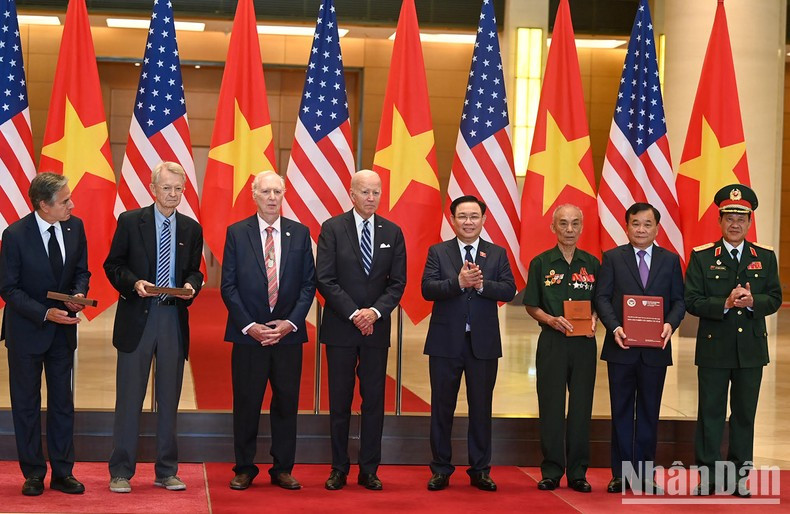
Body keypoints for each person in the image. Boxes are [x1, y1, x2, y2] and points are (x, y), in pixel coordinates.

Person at [104, 161, 203, 493]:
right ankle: (121, 471)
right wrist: (135, 283)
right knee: (129, 398)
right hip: (138, 317)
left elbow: (195, 271)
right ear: (153, 189)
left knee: (169, 399)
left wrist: (191, 285)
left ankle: (167, 470)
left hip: (173, 318)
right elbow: (113, 265)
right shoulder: (131, 221)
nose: (173, 194)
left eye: (178, 189)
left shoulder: (191, 228)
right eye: (166, 188)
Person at [221, 171, 316, 491]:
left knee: (287, 403)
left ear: (284, 194)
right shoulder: (237, 232)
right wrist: (250, 326)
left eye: (277, 191)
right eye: (266, 192)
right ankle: (244, 467)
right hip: (249, 336)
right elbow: (229, 286)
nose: (272, 197)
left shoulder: (299, 233)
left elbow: (308, 284)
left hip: (288, 335)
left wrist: (290, 323)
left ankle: (283, 468)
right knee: (246, 403)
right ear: (254, 195)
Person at [685, 184, 781, 497]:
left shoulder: (764, 257)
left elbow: (775, 297)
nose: (735, 224)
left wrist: (754, 302)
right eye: (729, 217)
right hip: (714, 348)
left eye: (741, 218)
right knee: (710, 414)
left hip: (751, 350)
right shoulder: (702, 257)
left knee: (744, 415)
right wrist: (724, 304)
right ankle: (708, 476)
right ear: (720, 220)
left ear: (750, 222)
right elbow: (691, 300)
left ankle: (739, 476)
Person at [315, 169, 406, 491]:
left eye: (376, 192)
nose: (371, 198)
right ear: (352, 194)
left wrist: (374, 313)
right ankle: (338, 468)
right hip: (341, 327)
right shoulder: (332, 228)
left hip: (375, 330)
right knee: (339, 401)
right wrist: (355, 313)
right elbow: (324, 278)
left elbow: (397, 283)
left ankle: (369, 469)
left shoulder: (392, 232)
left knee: (373, 402)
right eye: (365, 192)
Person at [0, 173, 89, 496]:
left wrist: (77, 295)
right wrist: (44, 312)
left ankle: (63, 472)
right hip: (27, 331)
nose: (71, 205)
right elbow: (8, 287)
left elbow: (81, 271)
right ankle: (34, 473)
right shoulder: (15, 235)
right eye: (65, 201)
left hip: (62, 332)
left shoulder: (75, 227)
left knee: (62, 404)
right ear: (43, 205)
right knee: (26, 404)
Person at [422, 195, 516, 492]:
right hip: (445, 343)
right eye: (462, 216)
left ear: (484, 219)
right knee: (442, 408)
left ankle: (480, 470)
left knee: (481, 408)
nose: (468, 222)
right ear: (452, 220)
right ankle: (440, 469)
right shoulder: (438, 251)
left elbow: (510, 289)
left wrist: (482, 285)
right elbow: (427, 289)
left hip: (483, 344)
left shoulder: (497, 253)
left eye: (474, 216)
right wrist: (458, 283)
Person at [594, 202, 685, 494]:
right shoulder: (612, 258)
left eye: (647, 224)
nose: (641, 229)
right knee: (621, 411)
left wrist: (670, 324)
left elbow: (679, 301)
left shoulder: (670, 260)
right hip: (621, 347)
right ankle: (620, 475)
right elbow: (602, 298)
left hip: (655, 350)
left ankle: (645, 474)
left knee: (649, 412)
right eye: (636, 224)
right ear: (626, 227)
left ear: (657, 228)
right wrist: (614, 327)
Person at [523, 204, 598, 493]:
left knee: (581, 409)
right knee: (551, 407)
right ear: (553, 227)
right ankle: (552, 470)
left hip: (584, 344)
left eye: (575, 223)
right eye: (563, 223)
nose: (569, 229)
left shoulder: (592, 263)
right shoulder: (541, 263)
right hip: (552, 342)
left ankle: (578, 472)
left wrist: (594, 318)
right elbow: (532, 304)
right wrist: (550, 319)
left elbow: (600, 301)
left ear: (582, 227)